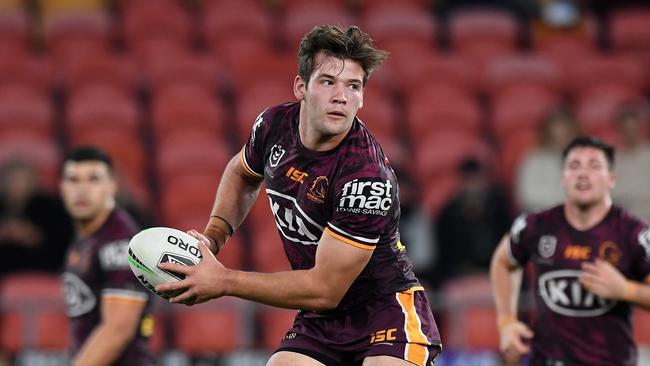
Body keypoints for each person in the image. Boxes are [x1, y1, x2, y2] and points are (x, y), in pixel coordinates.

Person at [156, 25, 441, 365]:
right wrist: (213, 239)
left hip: (386, 311)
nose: (341, 96)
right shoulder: (274, 124)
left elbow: (324, 289)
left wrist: (224, 281)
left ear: (363, 97)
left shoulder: (366, 178)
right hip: (322, 321)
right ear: (301, 87)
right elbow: (241, 173)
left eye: (353, 86)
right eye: (328, 82)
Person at [490, 136, 650, 365]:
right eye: (574, 166)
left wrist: (626, 290)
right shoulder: (537, 225)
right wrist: (506, 322)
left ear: (611, 178)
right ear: (563, 178)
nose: (583, 173)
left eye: (594, 166)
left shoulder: (633, 234)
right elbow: (503, 262)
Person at [60, 146, 154, 366]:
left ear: (112, 187)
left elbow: (117, 330)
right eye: (73, 180)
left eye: (93, 179)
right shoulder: (88, 235)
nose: (81, 190)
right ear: (62, 188)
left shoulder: (119, 243)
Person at [433, 157, 511, 288]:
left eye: (477, 181)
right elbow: (445, 258)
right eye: (469, 181)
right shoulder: (448, 215)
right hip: (460, 277)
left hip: (493, 273)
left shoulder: (499, 211)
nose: (473, 187)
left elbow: (507, 248)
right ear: (461, 184)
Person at [0, 158, 74, 278]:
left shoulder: (52, 208)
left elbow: (64, 246)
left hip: (42, 267)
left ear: (35, 182)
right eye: (13, 179)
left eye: (23, 180)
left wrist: (33, 236)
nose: (18, 185)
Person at [515, 107, 580, 212]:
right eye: (555, 138)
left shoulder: (589, 158)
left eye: (566, 136)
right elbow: (528, 197)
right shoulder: (533, 160)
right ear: (546, 136)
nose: (561, 142)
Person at [611, 104, 650, 223]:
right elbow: (613, 194)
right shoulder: (615, 160)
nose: (630, 133)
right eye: (626, 129)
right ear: (619, 130)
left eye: (633, 128)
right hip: (626, 218)